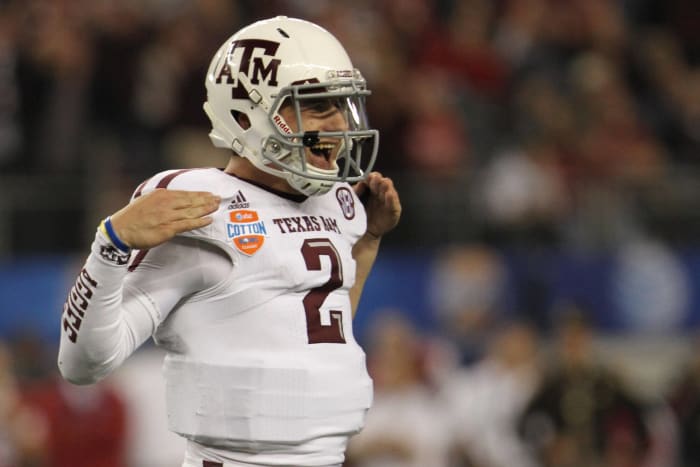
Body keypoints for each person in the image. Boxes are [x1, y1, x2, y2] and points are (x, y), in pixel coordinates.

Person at [57, 16, 401, 467]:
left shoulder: (338, 205)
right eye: (317, 105)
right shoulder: (199, 206)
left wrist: (368, 242)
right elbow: (82, 364)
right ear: (246, 115)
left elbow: (309, 338)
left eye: (343, 104)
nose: (339, 123)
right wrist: (111, 246)